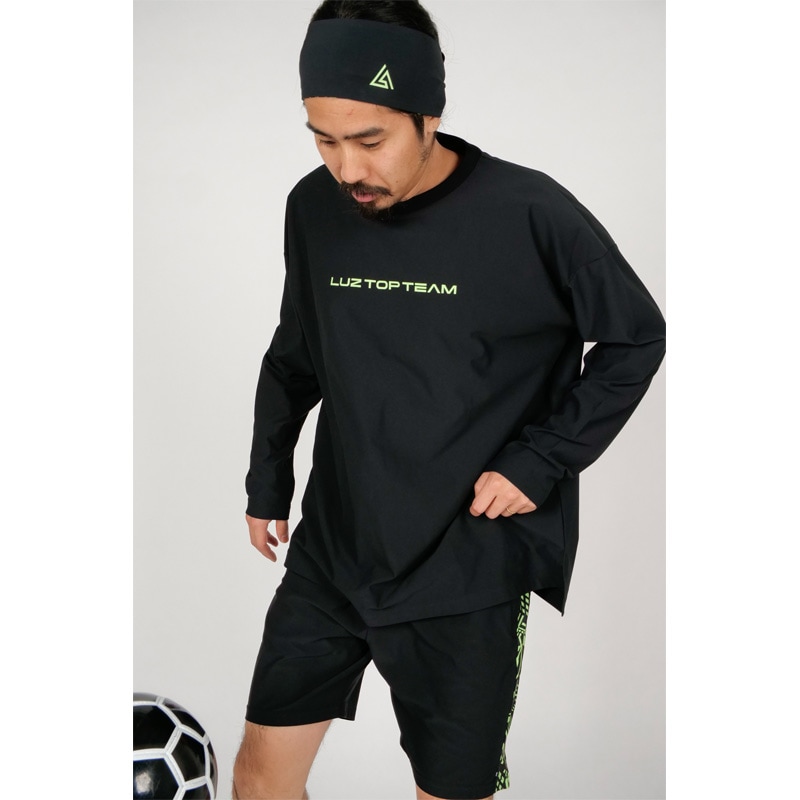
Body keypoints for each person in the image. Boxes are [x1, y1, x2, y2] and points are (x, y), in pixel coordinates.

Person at [233, 1, 666, 798]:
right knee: (260, 776)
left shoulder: (530, 213)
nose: (347, 168)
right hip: (335, 549)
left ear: (428, 115)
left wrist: (541, 461)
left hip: (466, 566)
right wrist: (268, 479)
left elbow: (636, 337)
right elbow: (296, 353)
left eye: (370, 141)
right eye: (324, 139)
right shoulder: (313, 207)